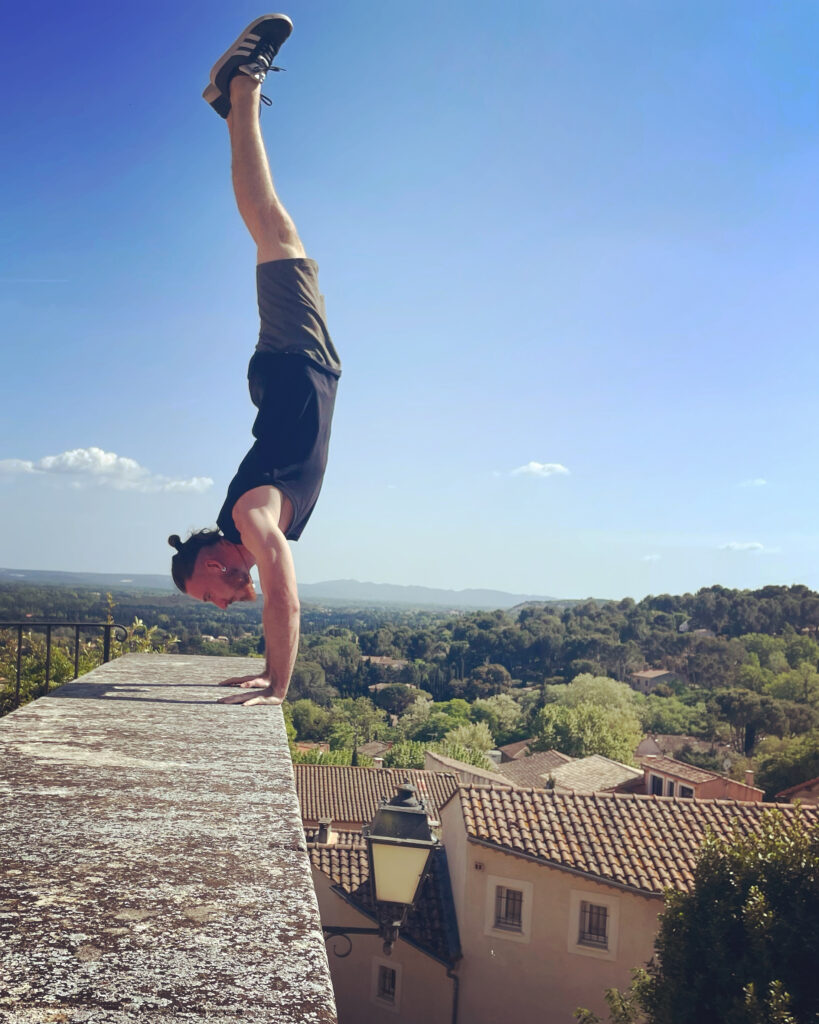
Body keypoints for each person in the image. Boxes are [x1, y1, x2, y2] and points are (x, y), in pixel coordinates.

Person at [168, 15, 341, 706]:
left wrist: (277, 682)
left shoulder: (250, 520)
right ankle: (231, 98)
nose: (218, 606)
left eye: (207, 593)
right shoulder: (246, 518)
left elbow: (286, 601)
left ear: (214, 563)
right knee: (276, 229)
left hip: (294, 357)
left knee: (271, 226)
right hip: (300, 365)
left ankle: (238, 86)